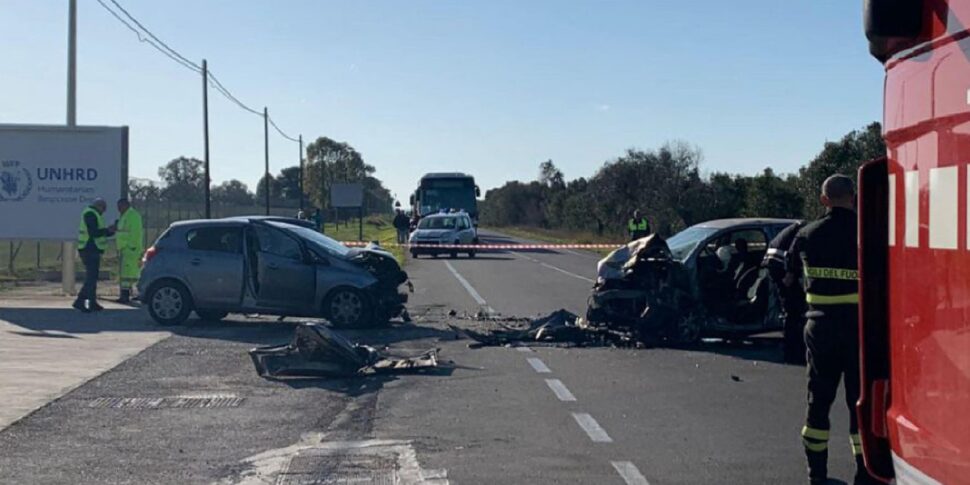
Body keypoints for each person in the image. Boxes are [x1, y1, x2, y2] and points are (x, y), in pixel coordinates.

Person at [785, 175, 876, 485]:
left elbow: (789, 278)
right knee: (859, 401)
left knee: (818, 402)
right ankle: (865, 472)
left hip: (819, 327)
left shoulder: (807, 235)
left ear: (824, 200)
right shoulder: (868, 234)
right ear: (853, 197)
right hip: (859, 330)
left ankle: (817, 473)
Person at [764, 220, 807, 364]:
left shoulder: (795, 229)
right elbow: (794, 251)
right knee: (794, 311)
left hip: (775, 263)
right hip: (780, 266)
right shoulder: (803, 231)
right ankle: (793, 351)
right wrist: (791, 273)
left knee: (791, 309)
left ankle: (791, 350)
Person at [73, 198, 116, 312]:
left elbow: (99, 232)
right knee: (91, 278)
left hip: (92, 249)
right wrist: (107, 230)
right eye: (104, 209)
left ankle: (91, 302)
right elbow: (94, 232)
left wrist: (109, 231)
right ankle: (81, 301)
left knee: (92, 277)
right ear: (100, 206)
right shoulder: (90, 214)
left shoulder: (94, 214)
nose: (104, 212)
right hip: (89, 249)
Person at [114, 198, 143, 304]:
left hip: (130, 249)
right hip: (125, 249)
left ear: (125, 205)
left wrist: (131, 246)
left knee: (130, 273)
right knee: (127, 274)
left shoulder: (133, 216)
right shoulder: (125, 216)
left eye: (120, 206)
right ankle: (128, 294)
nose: (118, 209)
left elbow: (135, 233)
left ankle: (127, 295)